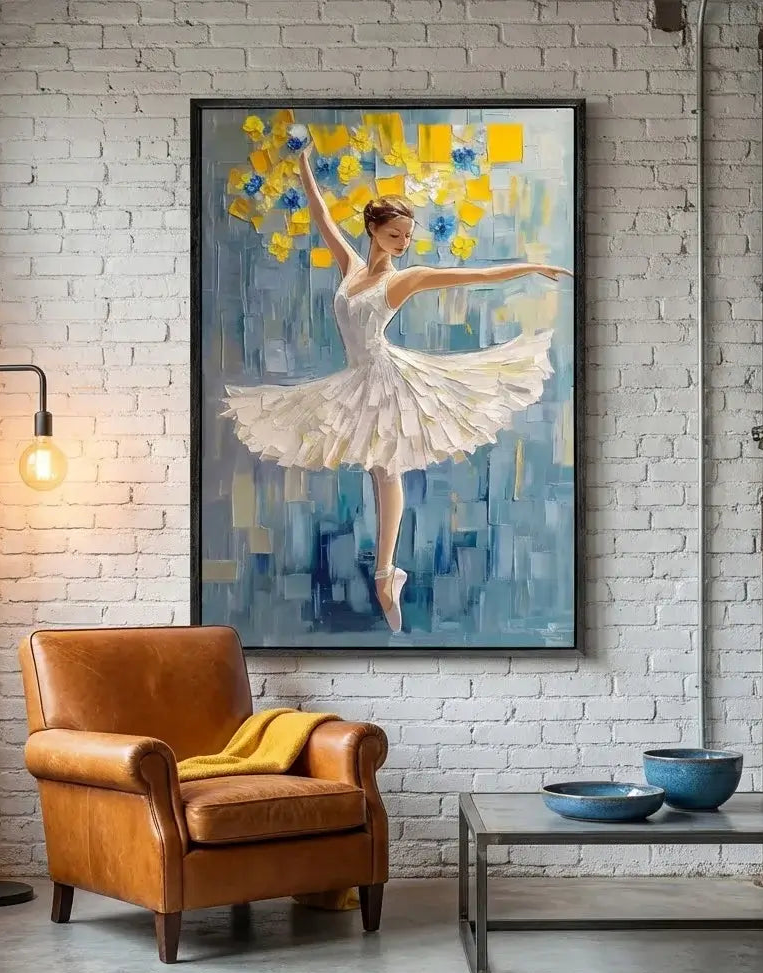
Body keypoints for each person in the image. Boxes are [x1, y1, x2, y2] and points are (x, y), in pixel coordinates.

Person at [222, 136, 573, 634]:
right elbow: (321, 216)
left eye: (407, 237)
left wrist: (532, 267)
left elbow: (471, 276)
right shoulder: (351, 267)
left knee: (387, 469)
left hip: (386, 376)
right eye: (394, 235)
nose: (402, 243)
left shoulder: (403, 280)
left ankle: (386, 572)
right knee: (377, 469)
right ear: (373, 230)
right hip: (356, 378)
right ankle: (388, 573)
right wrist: (302, 163)